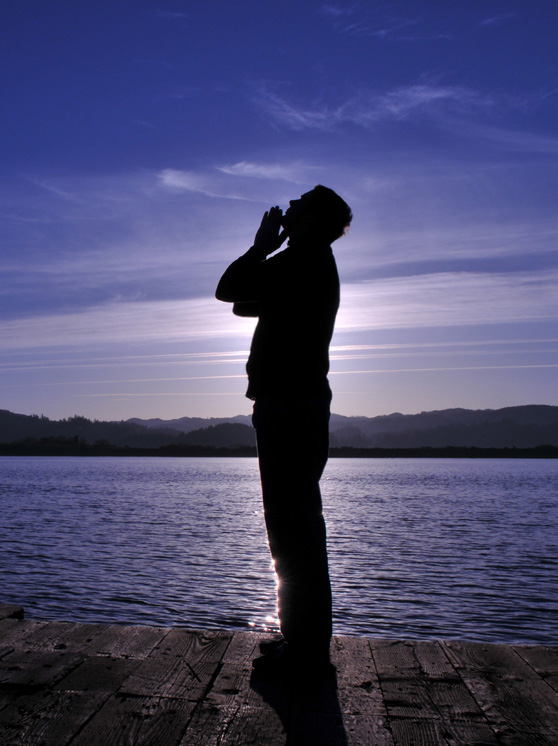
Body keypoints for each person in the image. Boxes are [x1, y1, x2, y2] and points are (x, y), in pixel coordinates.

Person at [216, 185, 352, 673]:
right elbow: (243, 302)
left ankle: (306, 647)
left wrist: (260, 246)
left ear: (312, 220)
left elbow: (227, 289)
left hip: (289, 406)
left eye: (297, 205)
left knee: (293, 527)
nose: (287, 208)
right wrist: (266, 267)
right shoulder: (310, 264)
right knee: (295, 525)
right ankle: (302, 638)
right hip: (298, 404)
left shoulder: (300, 260)